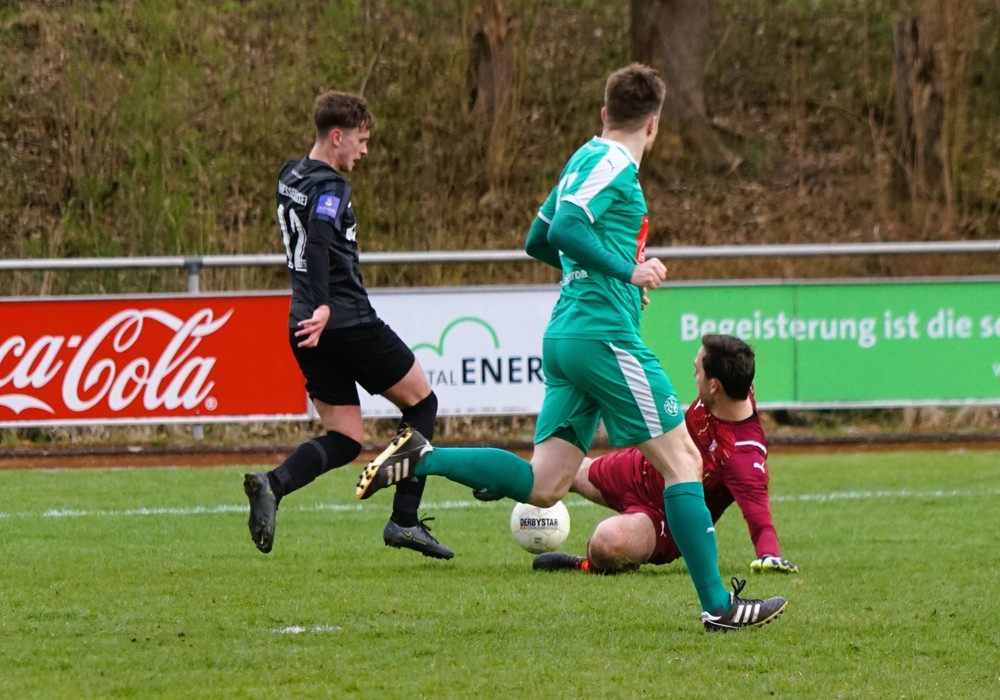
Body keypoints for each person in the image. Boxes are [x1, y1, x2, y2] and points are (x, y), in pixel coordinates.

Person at [356, 65, 787, 630]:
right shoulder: (613, 163)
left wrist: (604, 277)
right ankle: (720, 608)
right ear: (653, 125)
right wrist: (625, 273)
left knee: (546, 484)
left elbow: (539, 237)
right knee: (685, 462)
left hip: (568, 333)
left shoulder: (583, 158)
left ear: (605, 113)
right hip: (601, 334)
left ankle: (422, 456)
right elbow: (562, 231)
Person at [242, 90, 453, 560]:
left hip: (302, 326)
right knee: (423, 403)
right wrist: (324, 306)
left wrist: (311, 310)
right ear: (336, 137)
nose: (364, 150)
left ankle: (274, 486)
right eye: (360, 140)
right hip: (343, 319)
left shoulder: (289, 174)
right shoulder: (332, 187)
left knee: (345, 438)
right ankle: (404, 520)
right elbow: (318, 241)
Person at [532, 334, 800, 577]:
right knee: (560, 472)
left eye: (697, 371)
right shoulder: (733, 389)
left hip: (665, 518)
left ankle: (583, 563)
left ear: (714, 385)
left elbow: (760, 520)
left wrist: (769, 556)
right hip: (639, 468)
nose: (693, 374)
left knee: (607, 542)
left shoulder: (742, 457)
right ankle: (494, 482)